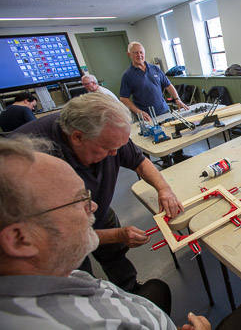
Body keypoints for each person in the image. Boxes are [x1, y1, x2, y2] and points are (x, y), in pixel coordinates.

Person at [0, 136, 241, 330]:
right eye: (78, 200)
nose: (94, 206)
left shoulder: (54, 271)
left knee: (157, 287)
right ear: (20, 239)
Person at [12, 92, 184, 293]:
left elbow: (139, 161)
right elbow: (56, 238)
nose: (115, 154)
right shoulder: (32, 161)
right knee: (79, 278)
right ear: (77, 137)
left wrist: (164, 189)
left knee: (115, 253)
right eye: (109, 149)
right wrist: (117, 235)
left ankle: (130, 290)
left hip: (95, 215)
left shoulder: (108, 132)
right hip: (57, 238)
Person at [120, 41, 191, 164]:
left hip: (163, 109)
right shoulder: (127, 75)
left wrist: (177, 99)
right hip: (147, 115)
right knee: (158, 137)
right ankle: (166, 160)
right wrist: (138, 111)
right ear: (129, 54)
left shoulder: (155, 69)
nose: (139, 55)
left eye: (141, 52)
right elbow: (124, 98)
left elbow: (168, 85)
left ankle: (179, 155)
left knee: (174, 132)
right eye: (135, 53)